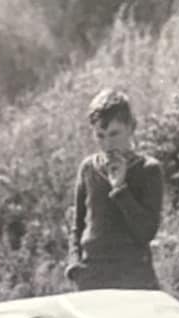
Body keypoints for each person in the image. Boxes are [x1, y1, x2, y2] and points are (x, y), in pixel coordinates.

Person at [66, 88, 164, 291]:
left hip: (133, 275)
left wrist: (120, 188)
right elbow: (77, 225)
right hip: (92, 275)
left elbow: (146, 231)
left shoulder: (148, 169)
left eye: (114, 134)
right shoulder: (88, 168)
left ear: (132, 128)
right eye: (100, 136)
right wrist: (74, 265)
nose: (108, 144)